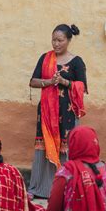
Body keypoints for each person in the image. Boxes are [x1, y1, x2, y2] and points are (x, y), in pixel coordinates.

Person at [28, 24, 87, 199]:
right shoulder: (45, 58)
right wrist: (49, 82)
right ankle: (39, 188)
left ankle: (67, 189)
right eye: (53, 39)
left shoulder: (77, 61)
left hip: (67, 113)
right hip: (47, 112)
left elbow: (82, 87)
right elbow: (33, 81)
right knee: (44, 145)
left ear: (68, 40)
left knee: (66, 147)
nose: (56, 44)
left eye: (60, 40)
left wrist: (64, 82)